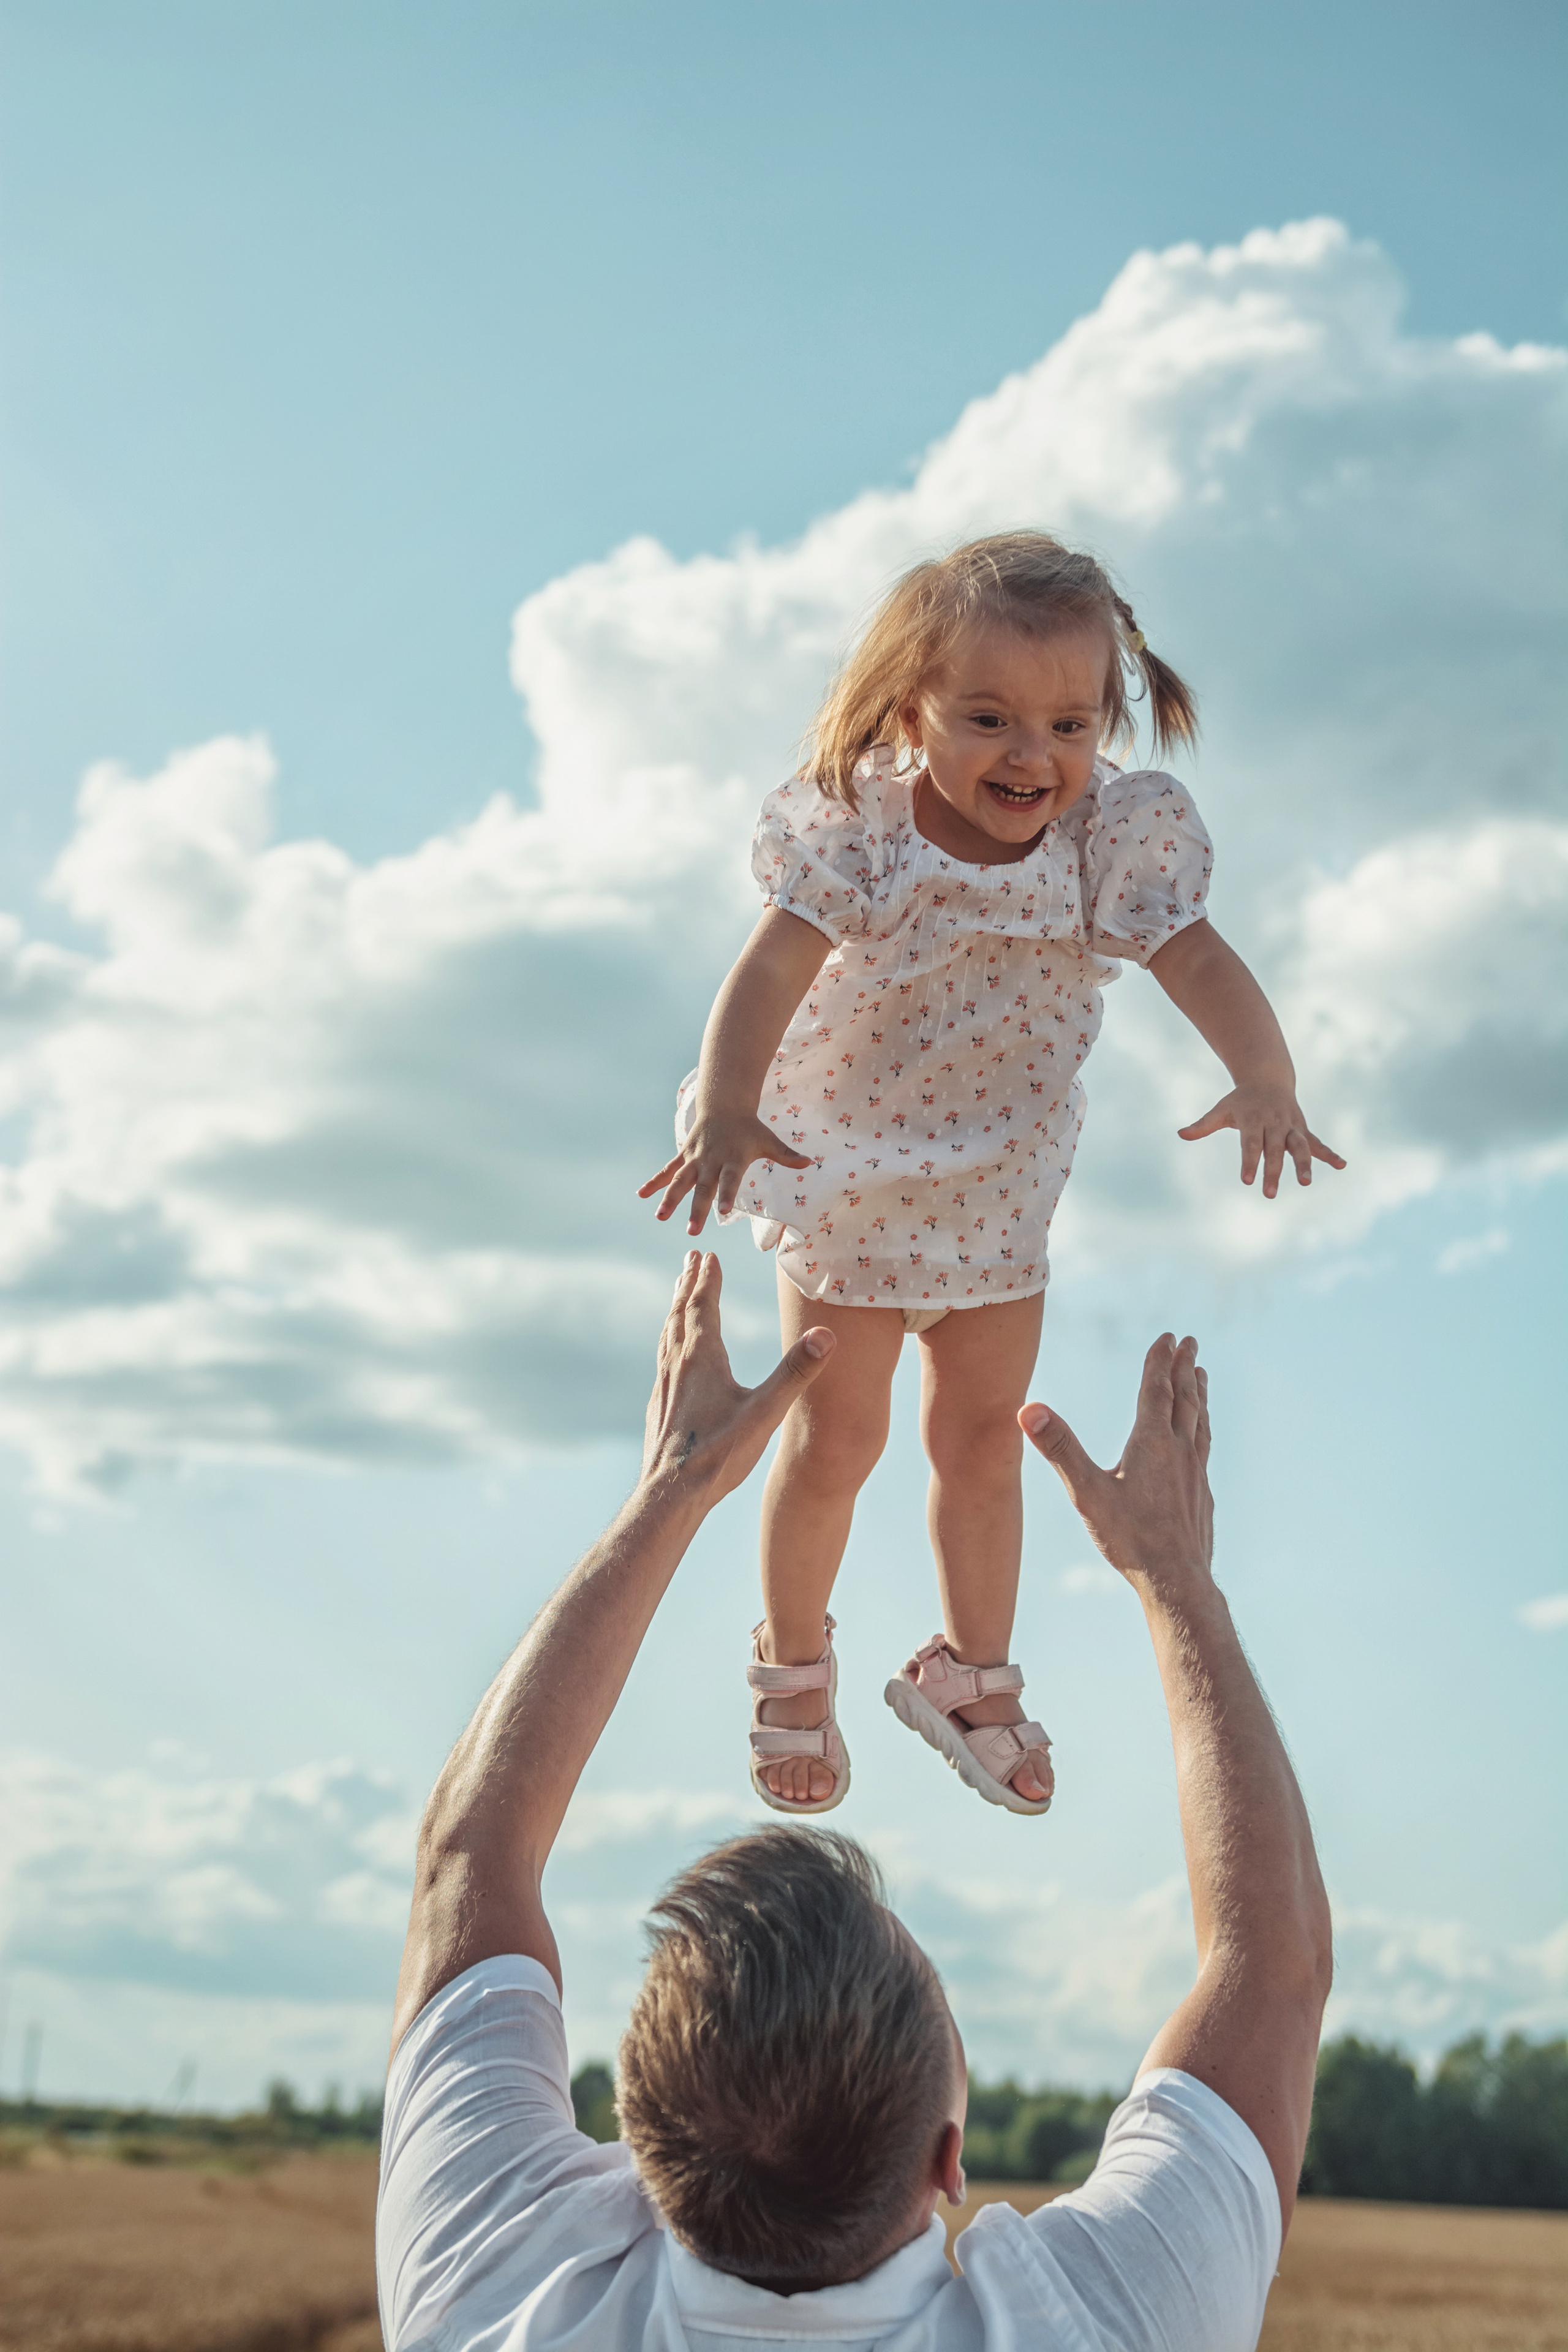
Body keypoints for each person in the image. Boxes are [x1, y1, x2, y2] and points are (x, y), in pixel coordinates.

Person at [379, 1252, 1332, 2352]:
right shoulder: (1103, 2325)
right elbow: (1277, 1961)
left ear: (637, 2135)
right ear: (948, 2159)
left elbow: (470, 1852)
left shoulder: (493, 2297)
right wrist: (1174, 1577)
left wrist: (671, 1489)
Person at [638, 533, 1344, 1817]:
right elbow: (770, 967)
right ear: (913, 709)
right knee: (838, 1439)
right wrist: (731, 1105)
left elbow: (1196, 958)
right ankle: (792, 1659)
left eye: (1068, 724)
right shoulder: (864, 834)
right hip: (847, 1182)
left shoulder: (1103, 845)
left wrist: (1265, 1077)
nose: (1032, 755)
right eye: (988, 719)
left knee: (980, 1444)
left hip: (995, 1195)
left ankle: (969, 1674)